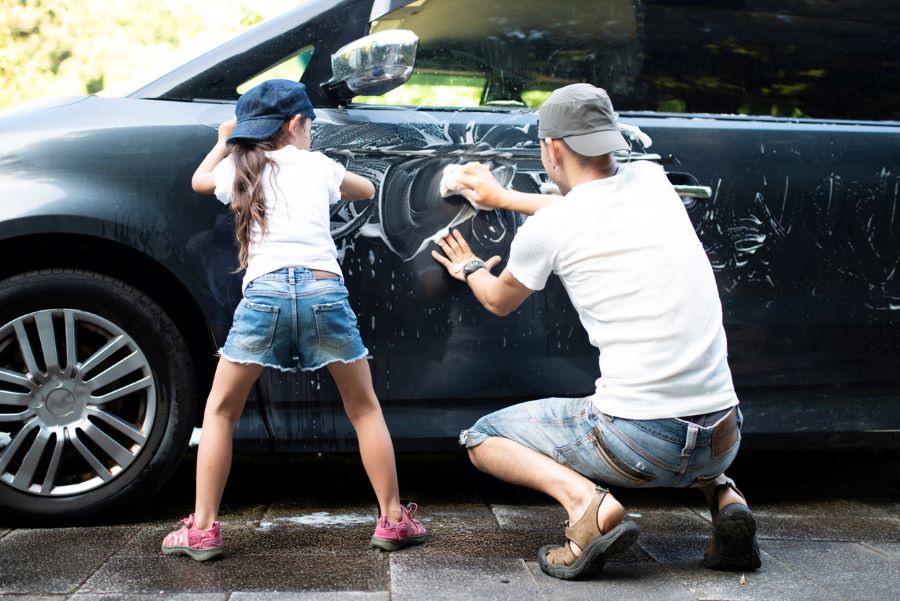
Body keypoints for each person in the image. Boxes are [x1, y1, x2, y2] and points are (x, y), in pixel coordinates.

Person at [431, 83, 761, 580]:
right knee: (692, 415)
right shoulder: (653, 181)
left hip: (641, 443)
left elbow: (498, 299)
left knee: (483, 438)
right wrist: (504, 198)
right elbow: (591, 208)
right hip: (724, 434)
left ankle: (588, 507)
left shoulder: (550, 230)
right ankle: (725, 496)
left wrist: (471, 265)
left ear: (551, 148)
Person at [162, 79, 426, 561]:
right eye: (310, 125)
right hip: (324, 291)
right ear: (296, 124)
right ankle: (392, 519)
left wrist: (224, 141)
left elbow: (200, 181)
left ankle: (202, 528)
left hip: (263, 296)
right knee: (363, 408)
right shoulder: (319, 165)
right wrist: (320, 160)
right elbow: (365, 189)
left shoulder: (240, 170)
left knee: (221, 411)